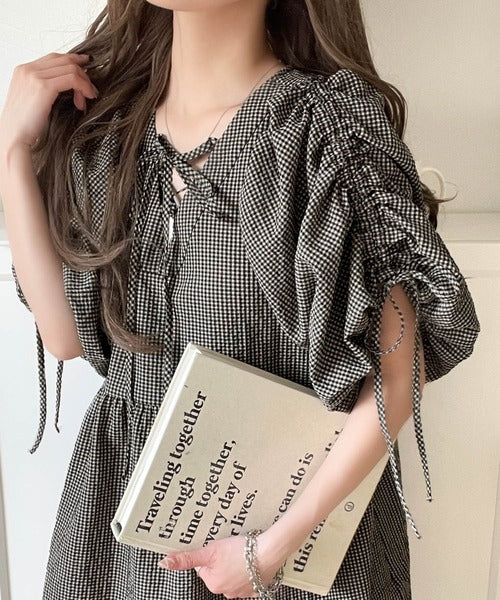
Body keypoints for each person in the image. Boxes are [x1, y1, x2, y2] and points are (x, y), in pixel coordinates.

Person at [0, 0, 481, 598]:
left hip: (289, 532)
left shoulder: (324, 127)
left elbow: (397, 373)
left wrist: (269, 549)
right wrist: (13, 153)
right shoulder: (107, 129)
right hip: (126, 530)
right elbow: (66, 336)